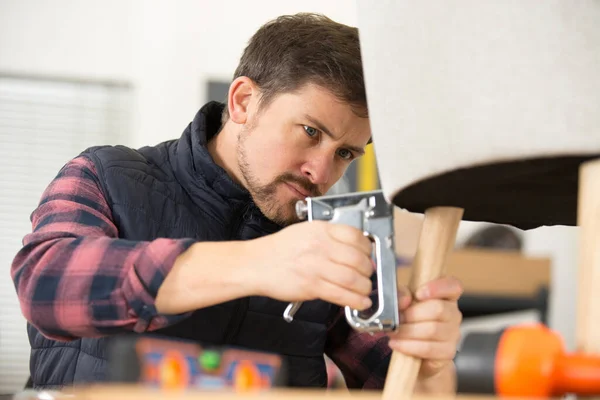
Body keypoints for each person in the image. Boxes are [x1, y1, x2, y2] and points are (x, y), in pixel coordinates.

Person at [10, 13, 463, 392]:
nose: (322, 174)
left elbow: (400, 387)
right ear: (244, 101)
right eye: (310, 132)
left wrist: (430, 364)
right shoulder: (103, 176)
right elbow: (45, 286)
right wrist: (257, 262)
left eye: (345, 153)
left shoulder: (329, 246)